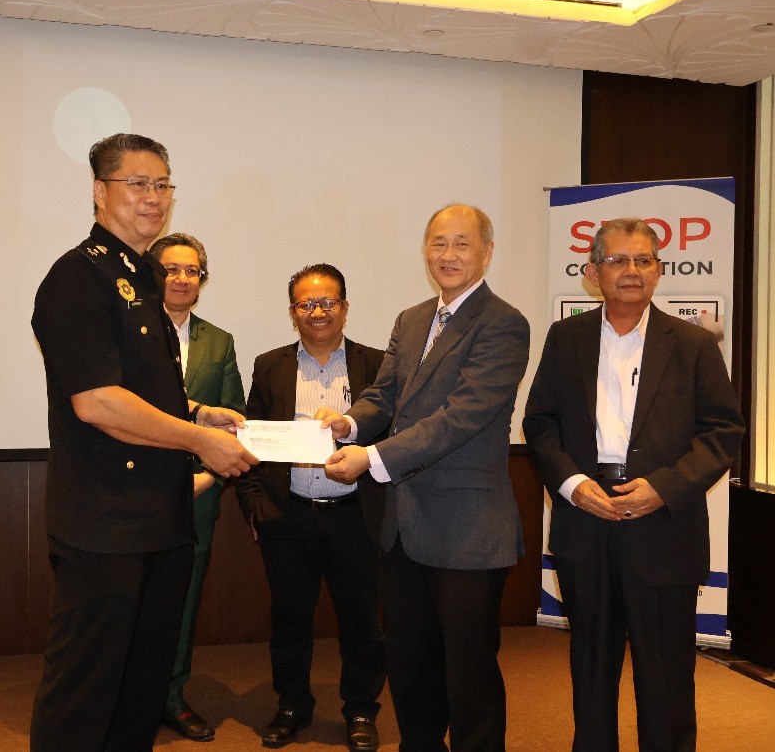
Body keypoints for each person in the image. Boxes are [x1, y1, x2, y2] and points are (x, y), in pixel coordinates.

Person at [30, 133, 257, 751]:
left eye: (162, 184)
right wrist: (197, 439)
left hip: (161, 520)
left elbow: (145, 386)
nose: (153, 197)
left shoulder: (145, 277)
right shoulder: (77, 276)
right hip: (104, 525)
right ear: (99, 192)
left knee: (141, 684)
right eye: (137, 183)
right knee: (86, 688)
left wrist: (202, 412)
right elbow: (97, 401)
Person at [523, 218, 744, 752]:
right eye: (618, 260)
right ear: (593, 272)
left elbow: (723, 431)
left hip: (663, 525)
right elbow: (540, 423)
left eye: (643, 260)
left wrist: (664, 488)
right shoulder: (566, 338)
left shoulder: (692, 343)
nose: (632, 271)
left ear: (659, 271)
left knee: (667, 674)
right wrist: (573, 484)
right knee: (591, 666)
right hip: (586, 517)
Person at [320, 204, 529, 752]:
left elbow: (461, 416)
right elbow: (384, 394)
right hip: (404, 526)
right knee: (409, 665)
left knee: (469, 671)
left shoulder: (503, 323)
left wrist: (371, 457)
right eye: (439, 243)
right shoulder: (411, 320)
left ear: (487, 251)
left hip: (468, 528)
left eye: (462, 243)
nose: (448, 255)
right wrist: (348, 424)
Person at [236, 263, 387, 751]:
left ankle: (360, 709)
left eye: (327, 302)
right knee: (290, 620)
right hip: (288, 515)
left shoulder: (377, 364)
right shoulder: (270, 365)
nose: (317, 311)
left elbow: (393, 433)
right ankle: (291, 705)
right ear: (292, 312)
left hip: (355, 515)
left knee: (362, 620)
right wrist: (255, 507)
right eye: (306, 304)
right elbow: (251, 439)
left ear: (344, 307)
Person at [147, 232, 246, 743]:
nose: (182, 278)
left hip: (198, 494)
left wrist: (207, 480)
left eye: (192, 271)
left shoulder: (219, 342)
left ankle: (172, 696)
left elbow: (234, 421)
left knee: (184, 601)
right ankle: (131, 698)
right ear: (152, 274)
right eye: (171, 269)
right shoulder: (132, 329)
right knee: (131, 598)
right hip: (135, 490)